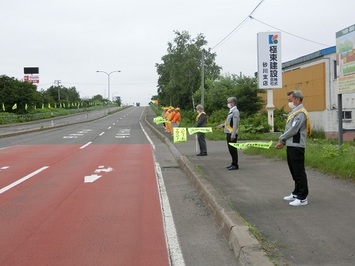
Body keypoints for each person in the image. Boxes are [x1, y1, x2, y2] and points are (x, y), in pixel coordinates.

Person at [275, 90, 311, 207]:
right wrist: (284, 142)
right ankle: (296, 193)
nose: (288, 102)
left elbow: (293, 130)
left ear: (297, 99)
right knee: (294, 170)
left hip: (297, 146)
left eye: (290, 100)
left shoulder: (300, 113)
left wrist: (281, 138)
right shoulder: (294, 112)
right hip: (291, 145)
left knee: (299, 171)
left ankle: (302, 197)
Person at [217, 97, 240, 170]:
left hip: (232, 133)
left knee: (233, 149)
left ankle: (235, 164)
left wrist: (233, 134)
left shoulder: (235, 111)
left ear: (233, 103)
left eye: (229, 102)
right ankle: (233, 163)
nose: (228, 104)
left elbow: (235, 124)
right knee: (230, 149)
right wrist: (222, 125)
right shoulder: (231, 111)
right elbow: (228, 122)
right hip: (228, 132)